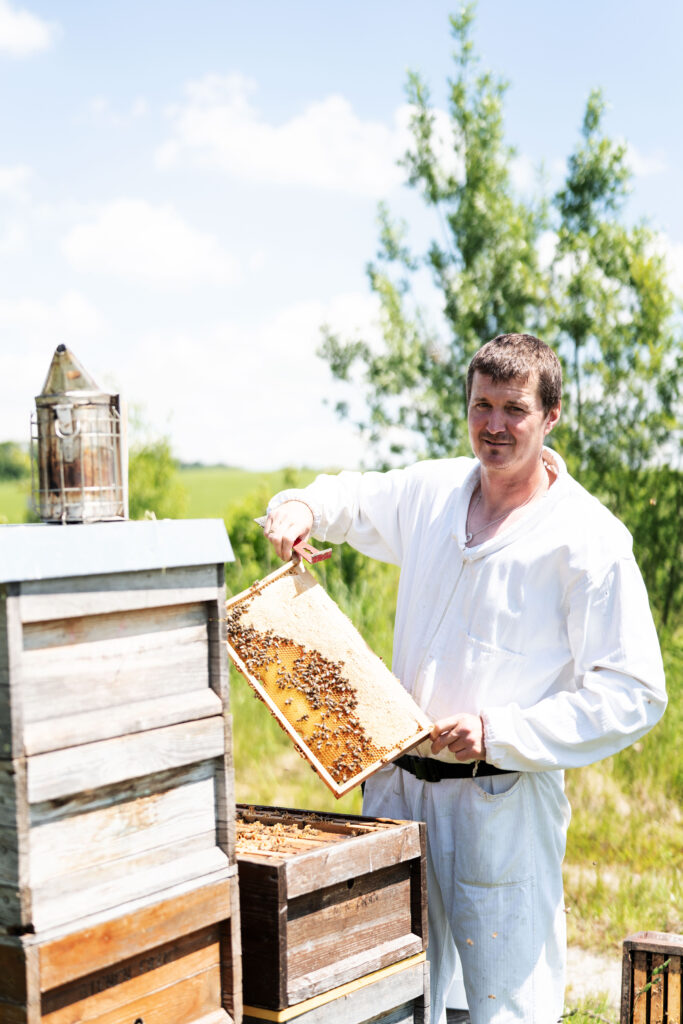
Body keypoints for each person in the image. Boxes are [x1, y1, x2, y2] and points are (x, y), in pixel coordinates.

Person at [262, 333, 666, 1024]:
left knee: (503, 1003)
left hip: (499, 801)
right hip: (393, 790)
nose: (494, 426)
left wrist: (498, 732)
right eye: (481, 406)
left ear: (551, 416)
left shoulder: (586, 539)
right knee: (387, 990)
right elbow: (349, 498)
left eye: (513, 409)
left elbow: (633, 693)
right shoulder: (431, 490)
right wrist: (298, 508)